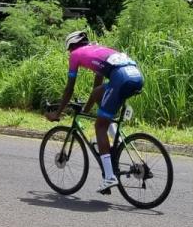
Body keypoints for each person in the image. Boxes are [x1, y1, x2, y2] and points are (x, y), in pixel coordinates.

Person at [45, 31, 144, 193]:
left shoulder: (76, 54)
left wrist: (57, 113)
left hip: (120, 79)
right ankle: (115, 142)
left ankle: (109, 177)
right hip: (136, 76)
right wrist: (87, 107)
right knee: (100, 96)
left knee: (99, 127)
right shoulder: (98, 49)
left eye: (69, 49)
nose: (70, 53)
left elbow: (69, 88)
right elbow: (97, 87)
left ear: (71, 46)